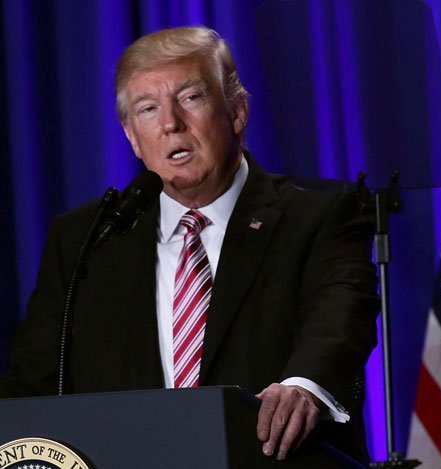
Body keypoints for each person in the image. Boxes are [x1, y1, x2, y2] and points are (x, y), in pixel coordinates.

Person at [0, 26, 379, 463]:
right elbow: (31, 384)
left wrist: (304, 386)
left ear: (237, 111)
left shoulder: (319, 216)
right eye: (147, 108)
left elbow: (340, 316)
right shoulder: (87, 238)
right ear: (131, 137)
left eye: (191, 98)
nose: (169, 123)